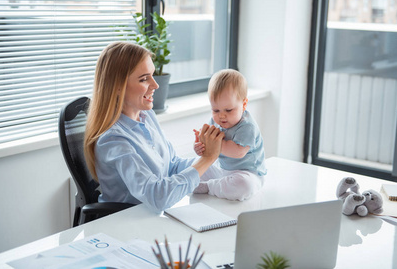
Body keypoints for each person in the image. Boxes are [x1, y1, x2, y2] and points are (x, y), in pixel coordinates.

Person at [84, 42, 224, 213]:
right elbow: (157, 196)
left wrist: (220, 159)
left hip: (154, 216)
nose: (155, 85)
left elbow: (172, 166)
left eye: (152, 75)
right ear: (117, 86)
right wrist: (206, 159)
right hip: (128, 223)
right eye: (144, 79)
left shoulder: (146, 115)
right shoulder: (113, 140)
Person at [193, 69, 267, 201]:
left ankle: (210, 187)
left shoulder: (247, 126)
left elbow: (237, 152)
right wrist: (200, 146)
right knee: (193, 165)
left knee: (245, 186)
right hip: (222, 170)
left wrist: (213, 143)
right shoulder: (215, 122)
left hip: (247, 173)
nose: (221, 116)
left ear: (243, 104)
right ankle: (216, 184)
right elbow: (208, 152)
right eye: (215, 110)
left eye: (228, 110)